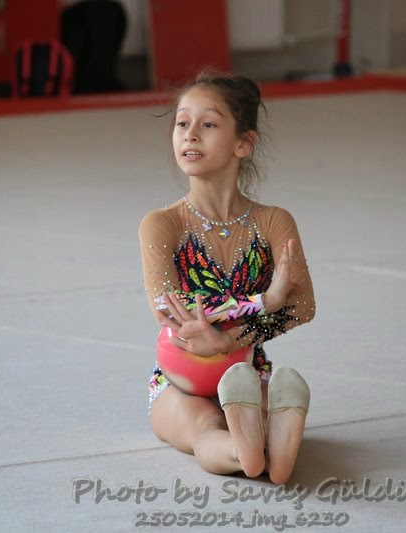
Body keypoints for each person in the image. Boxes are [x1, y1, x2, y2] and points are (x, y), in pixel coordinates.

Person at [138, 71, 316, 485]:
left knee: (243, 413)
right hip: (181, 378)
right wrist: (263, 302)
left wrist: (229, 341)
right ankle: (253, 450)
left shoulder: (274, 221)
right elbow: (169, 307)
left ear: (243, 143)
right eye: (182, 123)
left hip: (246, 369)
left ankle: (258, 447)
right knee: (204, 427)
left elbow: (303, 305)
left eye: (208, 124)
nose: (190, 134)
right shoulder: (163, 224)